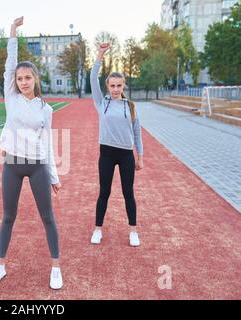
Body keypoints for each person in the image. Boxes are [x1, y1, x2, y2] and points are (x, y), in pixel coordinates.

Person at [0, 17, 63, 290]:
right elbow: (9, 64)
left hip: (37, 166)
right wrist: (12, 33)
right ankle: (0, 265)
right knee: (8, 216)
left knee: (48, 217)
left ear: (35, 79)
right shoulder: (11, 97)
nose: (23, 81)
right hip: (12, 165)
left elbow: (49, 145)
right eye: (19, 78)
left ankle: (55, 267)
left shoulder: (46, 109)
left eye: (27, 77)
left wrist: (53, 176)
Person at [89, 43, 144, 247]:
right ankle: (97, 229)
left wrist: (140, 156)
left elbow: (137, 132)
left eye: (118, 86)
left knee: (128, 192)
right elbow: (92, 79)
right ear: (107, 86)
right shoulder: (101, 103)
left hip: (126, 155)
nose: (115, 89)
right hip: (107, 153)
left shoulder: (130, 106)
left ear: (123, 86)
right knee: (104, 192)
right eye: (112, 86)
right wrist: (100, 55)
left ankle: (133, 231)